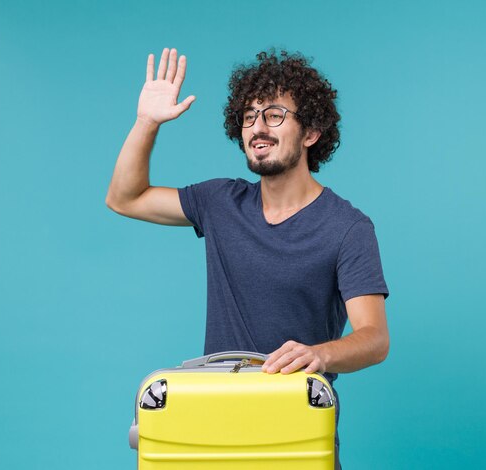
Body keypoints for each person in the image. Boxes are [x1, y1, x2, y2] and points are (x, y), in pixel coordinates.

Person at [106, 47, 390, 468]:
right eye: (249, 116)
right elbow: (124, 198)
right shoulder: (220, 202)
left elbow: (374, 337)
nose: (258, 127)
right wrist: (147, 122)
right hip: (213, 428)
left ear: (311, 131)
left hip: (294, 429)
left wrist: (321, 354)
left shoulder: (348, 227)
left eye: (274, 114)